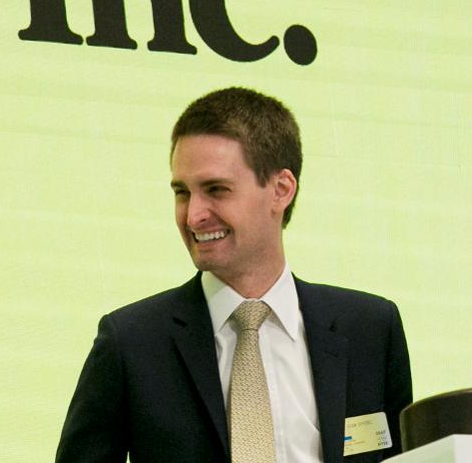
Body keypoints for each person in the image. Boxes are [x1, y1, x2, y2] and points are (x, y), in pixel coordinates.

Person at [55, 87, 411, 463]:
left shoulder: (370, 329)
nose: (193, 216)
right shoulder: (130, 343)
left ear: (280, 190)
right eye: (181, 192)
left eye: (216, 190)